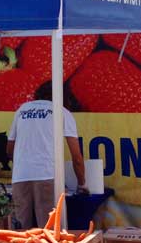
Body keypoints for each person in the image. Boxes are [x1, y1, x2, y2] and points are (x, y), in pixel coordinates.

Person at [7, 84, 85, 228]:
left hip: (20, 176)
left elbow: (9, 148)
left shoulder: (22, 110)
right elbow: (77, 158)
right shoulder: (62, 112)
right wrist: (82, 184)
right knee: (48, 231)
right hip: (46, 176)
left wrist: (22, 162)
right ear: (64, 97)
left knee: (19, 232)